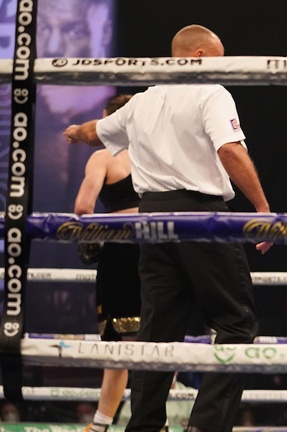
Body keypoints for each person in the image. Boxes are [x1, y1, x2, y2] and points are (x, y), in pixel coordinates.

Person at [64, 24, 273, 432]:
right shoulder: (210, 93)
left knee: (156, 335)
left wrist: (75, 132)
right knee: (236, 324)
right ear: (195, 56)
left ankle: (142, 427)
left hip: (153, 219)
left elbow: (95, 132)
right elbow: (229, 149)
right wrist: (262, 207)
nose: (225, 69)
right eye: (218, 58)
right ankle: (205, 427)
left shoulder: (142, 102)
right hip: (200, 215)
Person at [72, 94, 140, 432]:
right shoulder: (160, 154)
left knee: (118, 347)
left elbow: (83, 206)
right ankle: (149, 421)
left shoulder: (103, 157)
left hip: (120, 251)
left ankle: (99, 426)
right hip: (164, 252)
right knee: (160, 342)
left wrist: (92, 237)